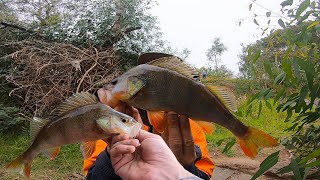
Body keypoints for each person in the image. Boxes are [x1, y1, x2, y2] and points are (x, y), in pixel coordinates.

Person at [83, 89, 214, 180]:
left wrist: (183, 167)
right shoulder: (120, 123)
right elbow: (93, 176)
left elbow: (204, 174)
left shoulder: (188, 125)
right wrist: (114, 154)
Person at [108, 128, 202, 180]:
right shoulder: (110, 131)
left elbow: (205, 173)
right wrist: (110, 154)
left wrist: (186, 166)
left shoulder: (189, 125)